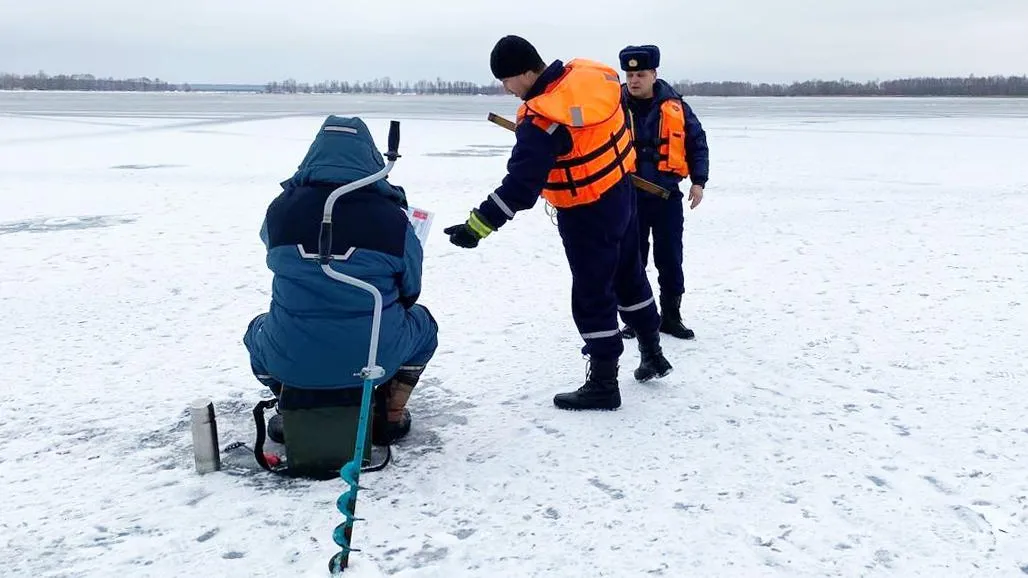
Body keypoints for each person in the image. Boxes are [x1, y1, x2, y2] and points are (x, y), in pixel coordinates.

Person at [443, 35, 673, 411]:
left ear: (524, 73)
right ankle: (652, 352)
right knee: (630, 274)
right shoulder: (591, 77)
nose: (506, 89)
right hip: (621, 194)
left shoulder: (542, 120)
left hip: (586, 213)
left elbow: (520, 186)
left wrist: (477, 226)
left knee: (592, 292)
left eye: (506, 81)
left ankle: (603, 383)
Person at [242, 115, 438, 446]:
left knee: (256, 333)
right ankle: (389, 415)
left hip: (290, 354)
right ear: (372, 159)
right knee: (424, 327)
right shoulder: (393, 219)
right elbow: (410, 290)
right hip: (375, 355)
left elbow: (272, 255)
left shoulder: (279, 211)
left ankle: (292, 404)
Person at [617, 45, 710, 341]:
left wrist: (699, 181)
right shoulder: (611, 106)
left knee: (670, 258)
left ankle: (671, 316)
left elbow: (697, 142)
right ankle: (635, 318)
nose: (634, 80)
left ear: (654, 74)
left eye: (640, 74)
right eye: (630, 74)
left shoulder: (676, 106)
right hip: (628, 197)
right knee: (633, 259)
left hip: (666, 197)